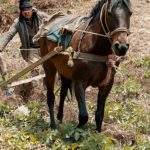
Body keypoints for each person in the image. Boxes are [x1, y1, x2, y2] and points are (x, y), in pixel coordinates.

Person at [0, 0, 49, 99]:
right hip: (30, 50)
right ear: (21, 12)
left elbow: (55, 21)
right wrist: (0, 47)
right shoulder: (18, 22)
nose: (27, 13)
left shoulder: (41, 16)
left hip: (45, 48)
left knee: (46, 69)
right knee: (34, 69)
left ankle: (47, 91)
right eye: (24, 12)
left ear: (32, 9)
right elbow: (9, 35)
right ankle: (37, 92)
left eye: (28, 11)